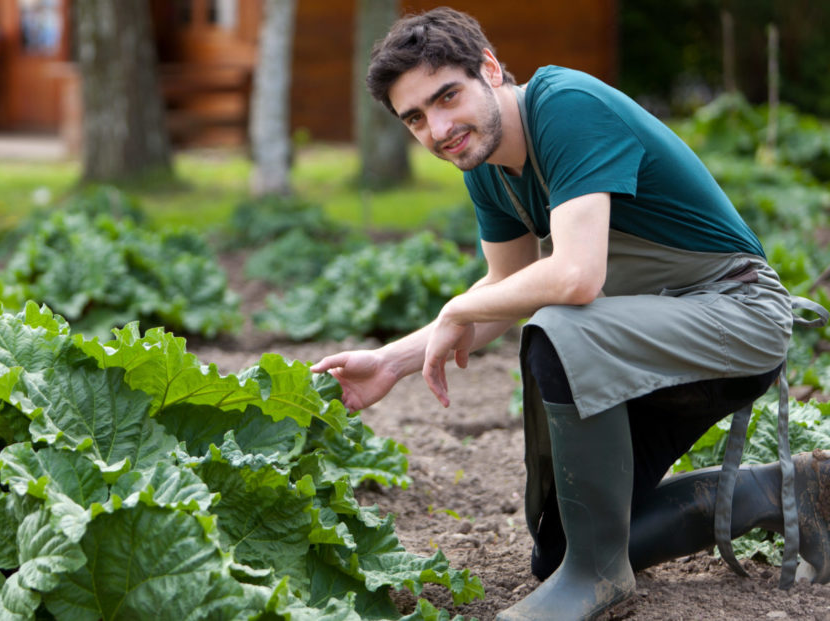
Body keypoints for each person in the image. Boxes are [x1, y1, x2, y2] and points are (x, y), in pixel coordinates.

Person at [310, 7, 830, 620]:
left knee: (559, 325)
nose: (439, 127)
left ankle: (598, 580)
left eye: (446, 97)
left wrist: (458, 304)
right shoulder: (486, 165)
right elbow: (508, 288)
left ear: (491, 69)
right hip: (649, 335)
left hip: (736, 316)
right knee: (558, 549)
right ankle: (786, 489)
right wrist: (391, 361)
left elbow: (576, 278)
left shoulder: (566, 104)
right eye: (416, 118)